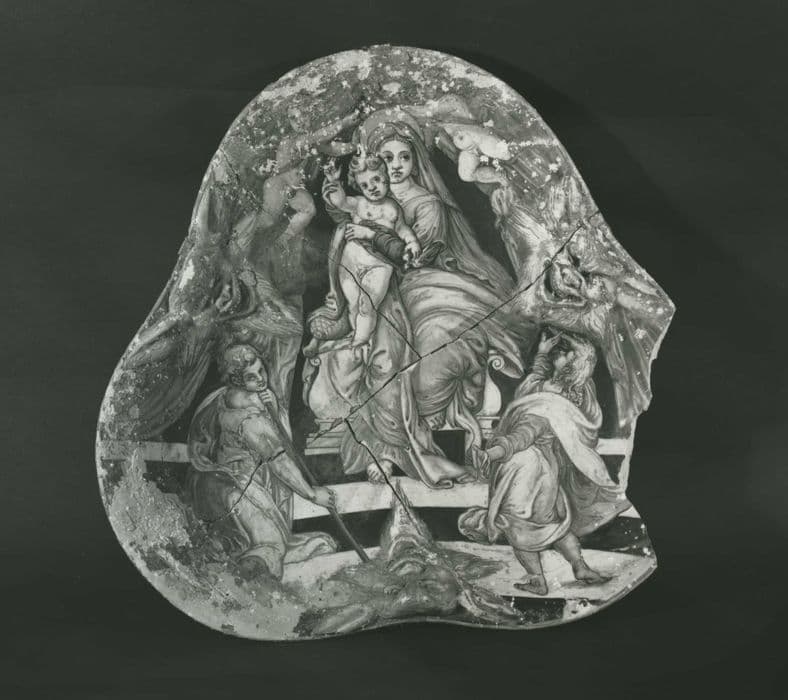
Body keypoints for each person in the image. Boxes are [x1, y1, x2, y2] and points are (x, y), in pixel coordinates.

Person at [459, 331, 629, 595]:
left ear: (573, 364)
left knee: (517, 526)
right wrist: (541, 354)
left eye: (564, 353)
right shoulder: (571, 392)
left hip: (528, 471)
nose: (557, 355)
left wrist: (488, 455)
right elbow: (534, 384)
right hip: (546, 472)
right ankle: (580, 566)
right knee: (553, 524)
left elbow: (523, 435)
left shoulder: (550, 401)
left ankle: (537, 579)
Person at [187, 344, 337, 580]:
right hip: (237, 487)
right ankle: (245, 590)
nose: (260, 379)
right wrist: (311, 494)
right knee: (271, 546)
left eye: (261, 371)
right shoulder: (250, 419)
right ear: (237, 380)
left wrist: (274, 408)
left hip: (216, 486)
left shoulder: (225, 399)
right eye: (251, 377)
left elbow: (279, 440)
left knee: (252, 544)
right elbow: (279, 460)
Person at [321, 154, 421, 361]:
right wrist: (333, 182)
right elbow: (339, 201)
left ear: (386, 177)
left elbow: (402, 229)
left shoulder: (393, 208)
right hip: (350, 263)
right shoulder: (358, 204)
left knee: (367, 304)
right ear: (359, 187)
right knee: (353, 304)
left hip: (379, 265)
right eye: (365, 185)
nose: (372, 187)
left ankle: (360, 340)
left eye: (376, 179)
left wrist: (412, 242)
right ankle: (357, 336)